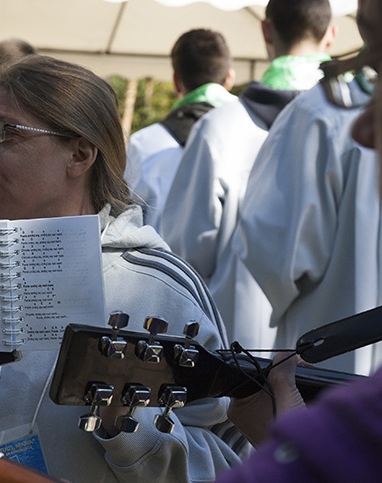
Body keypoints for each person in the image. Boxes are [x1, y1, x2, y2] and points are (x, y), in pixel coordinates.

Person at [0, 54, 243, 482]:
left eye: (4, 133)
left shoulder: (159, 288)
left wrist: (128, 423)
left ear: (79, 154)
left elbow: (231, 457)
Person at [162, 0, 337, 353]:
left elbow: (187, 253)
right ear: (331, 35)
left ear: (265, 30)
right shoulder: (361, 126)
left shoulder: (219, 128)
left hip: (241, 351)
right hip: (343, 358)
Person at [229, 55, 379, 373]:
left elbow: (275, 253)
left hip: (332, 363)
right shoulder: (323, 112)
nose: (366, 133)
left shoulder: (321, 112)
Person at [125, 28, 236, 235]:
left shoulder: (143, 144)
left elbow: (125, 223)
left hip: (161, 264)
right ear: (230, 78)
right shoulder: (257, 133)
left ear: (176, 81)